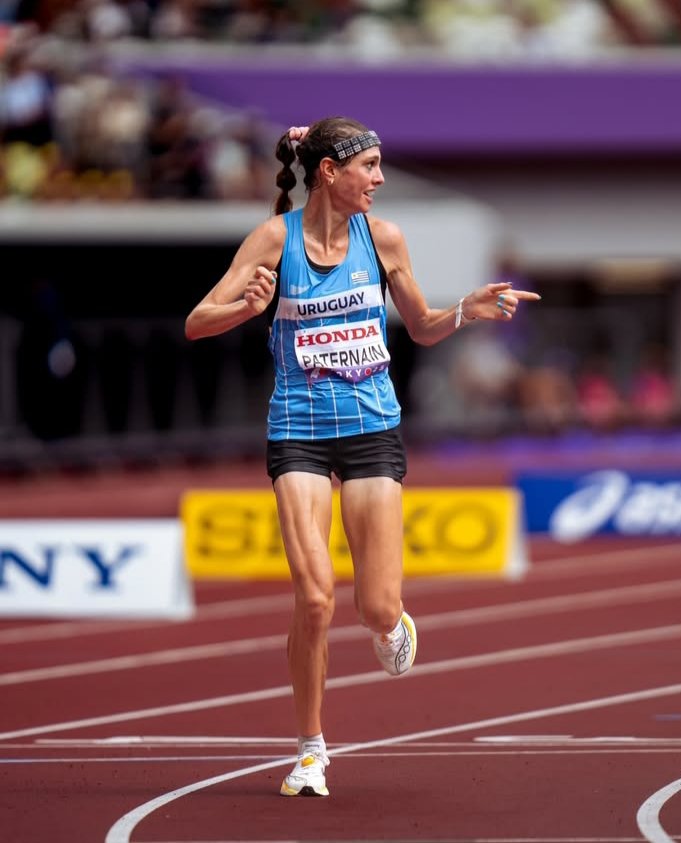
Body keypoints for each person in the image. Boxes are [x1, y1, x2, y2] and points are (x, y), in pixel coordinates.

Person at [184, 116, 541, 798]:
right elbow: (197, 321)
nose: (378, 179)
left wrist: (466, 308)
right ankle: (312, 748)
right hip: (299, 431)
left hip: (372, 427)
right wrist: (245, 309)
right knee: (313, 596)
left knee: (374, 608)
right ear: (329, 171)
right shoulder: (272, 240)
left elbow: (426, 326)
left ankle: (389, 619)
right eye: (369, 166)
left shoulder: (383, 240)